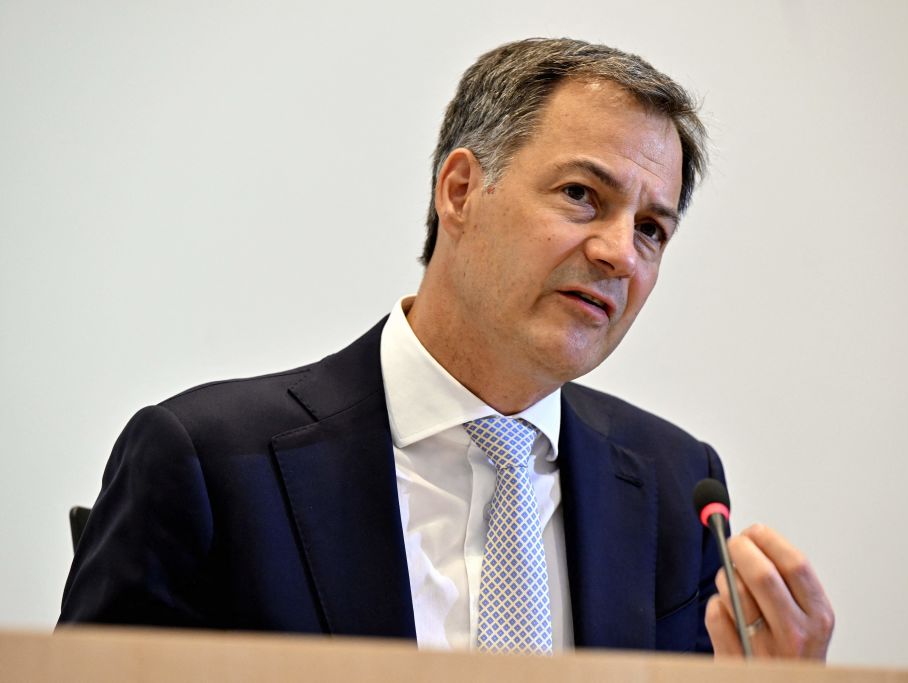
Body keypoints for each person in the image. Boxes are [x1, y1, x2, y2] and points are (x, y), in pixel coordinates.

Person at [60, 37, 834, 659]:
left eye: (652, 229)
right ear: (460, 191)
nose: (620, 253)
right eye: (581, 195)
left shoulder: (676, 487)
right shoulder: (207, 461)